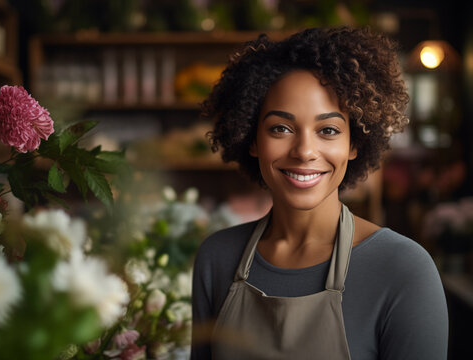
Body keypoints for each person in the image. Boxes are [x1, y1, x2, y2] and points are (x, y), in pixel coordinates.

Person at [191, 26, 448, 360]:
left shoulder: (403, 270)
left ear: (354, 144)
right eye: (280, 128)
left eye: (328, 130)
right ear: (252, 139)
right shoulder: (216, 258)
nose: (304, 151)